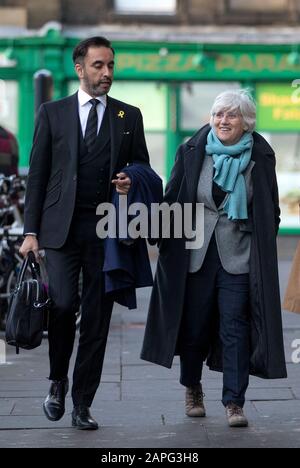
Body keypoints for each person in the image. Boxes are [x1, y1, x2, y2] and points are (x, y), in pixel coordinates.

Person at [20, 36, 149, 430]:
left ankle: (82, 403)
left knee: (97, 317)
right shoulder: (52, 113)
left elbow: (143, 165)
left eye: (110, 65)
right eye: (98, 65)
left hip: (106, 231)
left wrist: (131, 179)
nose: (106, 73)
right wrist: (30, 232)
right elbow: (37, 177)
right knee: (61, 305)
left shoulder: (129, 116)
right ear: (80, 69)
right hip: (60, 230)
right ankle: (57, 379)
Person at [141, 89, 287, 427]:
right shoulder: (192, 150)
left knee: (235, 328)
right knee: (194, 327)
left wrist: (260, 235)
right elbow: (172, 195)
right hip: (195, 254)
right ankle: (192, 388)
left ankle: (234, 402)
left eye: (231, 115)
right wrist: (153, 231)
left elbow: (271, 208)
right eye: (219, 114)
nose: (223, 120)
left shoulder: (260, 155)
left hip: (238, 255)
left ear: (246, 122)